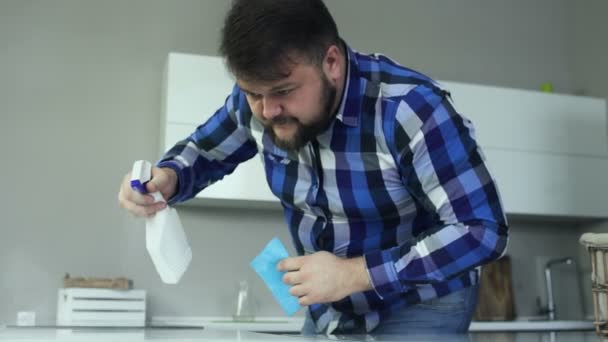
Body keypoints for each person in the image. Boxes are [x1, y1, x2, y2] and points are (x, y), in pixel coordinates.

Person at [118, 0, 509, 336]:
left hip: (420, 305)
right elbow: (204, 152)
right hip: (329, 310)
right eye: (253, 93)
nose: (268, 111)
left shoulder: (409, 110)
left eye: (284, 91)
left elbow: (481, 230)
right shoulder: (256, 103)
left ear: (332, 62)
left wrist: (356, 274)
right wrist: (167, 177)